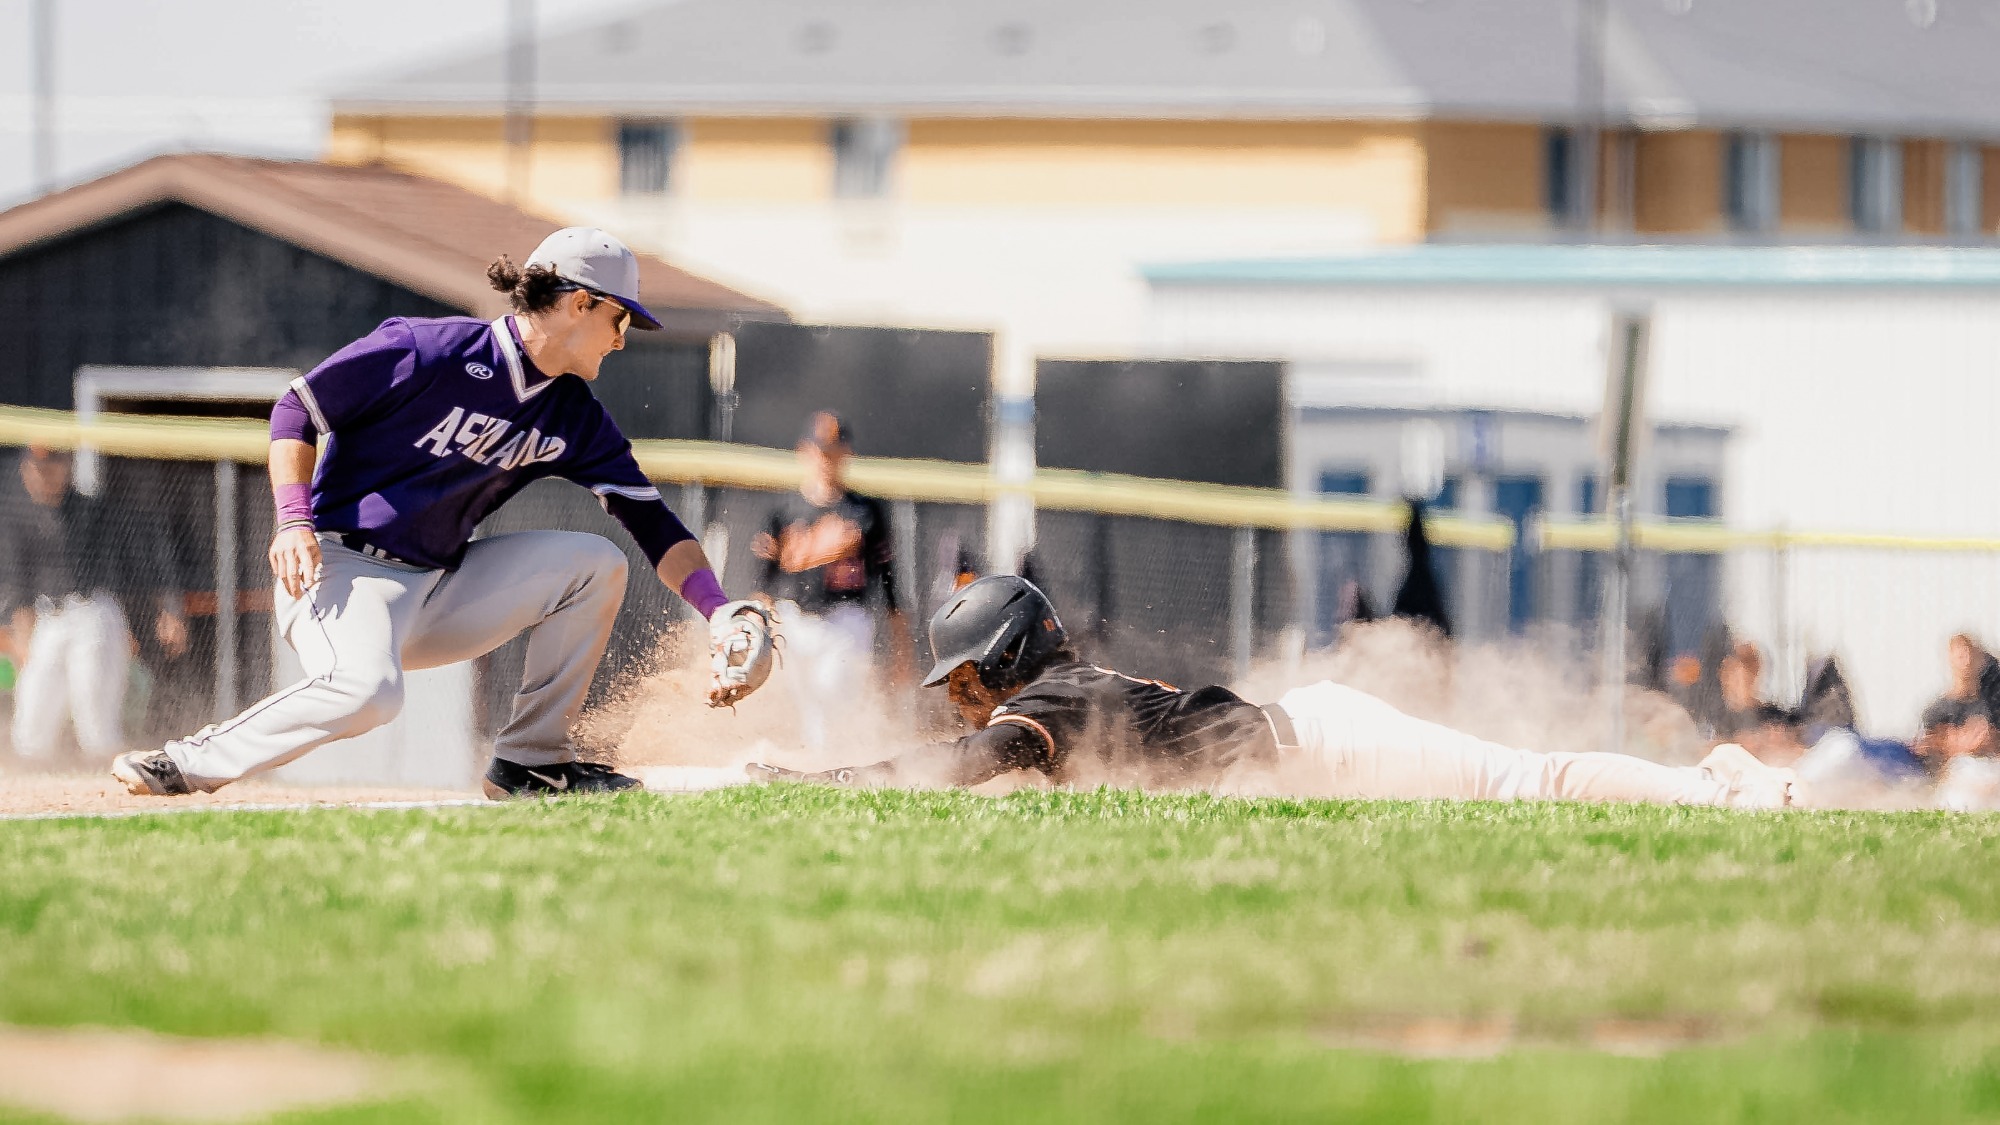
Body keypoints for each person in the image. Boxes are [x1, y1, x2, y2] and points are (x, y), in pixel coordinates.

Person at [111, 227, 772, 799]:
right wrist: (293, 519)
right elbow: (296, 409)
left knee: (596, 563)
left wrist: (718, 609)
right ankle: (187, 762)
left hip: (437, 586)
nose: (623, 340)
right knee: (370, 694)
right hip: (339, 570)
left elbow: (652, 523)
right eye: (620, 319)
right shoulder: (430, 350)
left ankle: (531, 762)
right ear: (580, 303)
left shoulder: (572, 414)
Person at [747, 576, 1797, 809]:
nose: (962, 699)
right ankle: (1704, 784)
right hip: (1310, 734)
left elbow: (968, 762)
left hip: (1326, 746)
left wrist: (835, 780)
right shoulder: (1066, 688)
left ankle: (1712, 787)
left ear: (1005, 659)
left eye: (968, 678)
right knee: (1527, 781)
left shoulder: (1051, 705)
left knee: (1531, 783)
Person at [0, 447, 188, 761]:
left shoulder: (94, 510)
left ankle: (112, 781)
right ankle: (35, 787)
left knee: (96, 721)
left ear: (67, 465)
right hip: (48, 621)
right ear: (24, 470)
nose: (41, 475)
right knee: (31, 722)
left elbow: (145, 561)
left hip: (93, 615)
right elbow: (17, 584)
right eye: (34, 467)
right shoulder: (22, 517)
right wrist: (23, 638)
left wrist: (169, 609)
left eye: (50, 465)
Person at [752, 411, 913, 750]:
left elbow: (889, 585)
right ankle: (813, 759)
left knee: (832, 694)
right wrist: (756, 622)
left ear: (847, 453)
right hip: (793, 618)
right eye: (820, 451)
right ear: (803, 451)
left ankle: (830, 761)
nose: (826, 459)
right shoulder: (783, 510)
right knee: (803, 703)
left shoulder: (865, 511)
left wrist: (902, 649)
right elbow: (763, 583)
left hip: (846, 620)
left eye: (834, 451)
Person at [1715, 642, 1804, 764]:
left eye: (1740, 679)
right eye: (1729, 678)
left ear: (1754, 676)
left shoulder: (1778, 719)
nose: (1732, 685)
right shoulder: (1719, 722)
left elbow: (1800, 749)